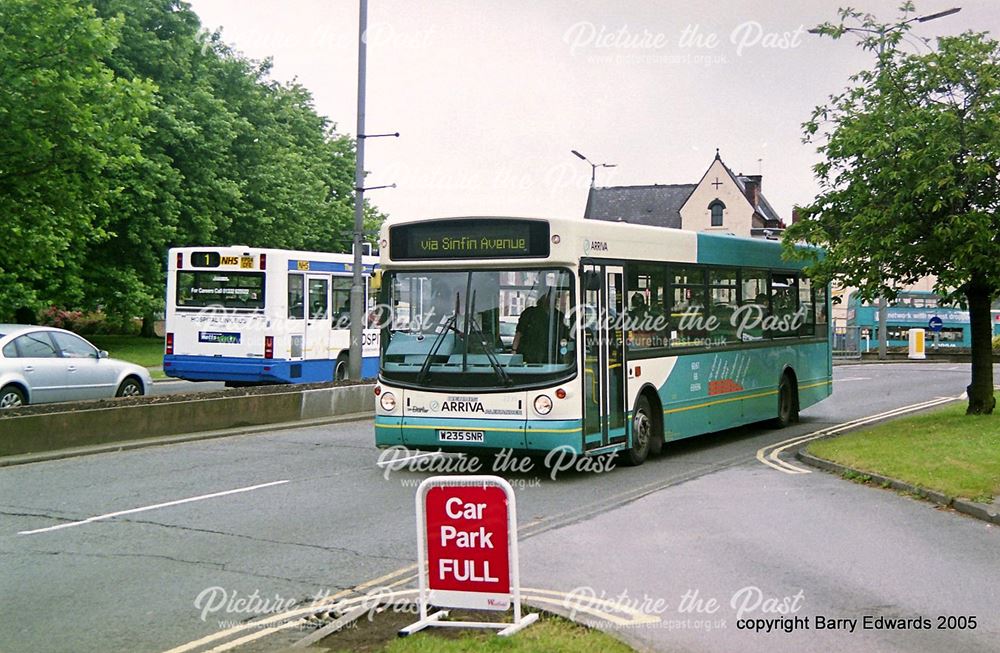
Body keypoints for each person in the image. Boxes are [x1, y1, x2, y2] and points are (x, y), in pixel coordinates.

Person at [513, 288, 566, 363]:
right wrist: (514, 351)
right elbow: (519, 333)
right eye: (548, 297)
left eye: (554, 297)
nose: (552, 299)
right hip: (530, 356)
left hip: (552, 356)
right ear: (542, 298)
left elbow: (563, 336)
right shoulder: (530, 313)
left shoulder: (559, 316)